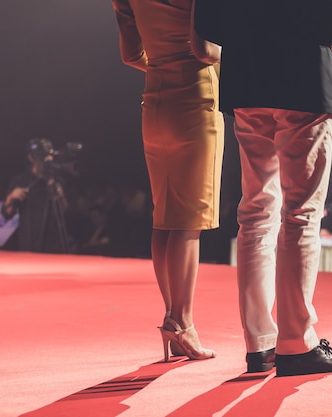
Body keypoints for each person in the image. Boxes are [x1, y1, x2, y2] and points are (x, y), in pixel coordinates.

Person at [194, 0, 332, 376]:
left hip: (247, 83)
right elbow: (330, 14)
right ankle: (296, 343)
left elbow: (209, 25)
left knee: (255, 213)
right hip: (302, 82)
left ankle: (259, 345)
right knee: (300, 214)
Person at [112, 0, 224, 361]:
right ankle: (183, 323)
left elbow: (131, 55)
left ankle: (173, 319)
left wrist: (163, 64)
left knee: (165, 217)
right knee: (189, 220)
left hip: (155, 100)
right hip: (195, 99)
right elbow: (205, 50)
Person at [1, 138, 70, 254]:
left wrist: (61, 197)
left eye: (50, 155)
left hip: (54, 244)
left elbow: (63, 212)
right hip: (30, 242)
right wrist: (11, 196)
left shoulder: (56, 181)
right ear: (31, 158)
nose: (48, 159)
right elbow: (6, 214)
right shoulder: (20, 180)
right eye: (43, 156)